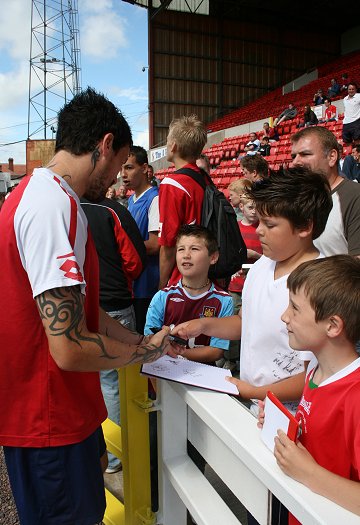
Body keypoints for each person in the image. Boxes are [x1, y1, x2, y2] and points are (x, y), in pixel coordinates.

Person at [0, 87, 173, 525]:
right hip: (48, 416)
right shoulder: (49, 205)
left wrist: (140, 339)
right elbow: (70, 346)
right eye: (118, 165)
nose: (117, 178)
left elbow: (83, 312)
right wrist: (147, 354)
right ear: (105, 145)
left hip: (64, 409)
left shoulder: (49, 198)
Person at [172, 168, 333, 412]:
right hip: (254, 402)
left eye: (269, 224)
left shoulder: (321, 284)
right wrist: (204, 325)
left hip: (290, 415)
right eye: (259, 221)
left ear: (304, 227)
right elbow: (244, 322)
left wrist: (253, 392)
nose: (258, 230)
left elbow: (317, 373)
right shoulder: (261, 267)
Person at [257, 255, 360, 523]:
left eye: (294, 308)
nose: (284, 316)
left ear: (333, 325)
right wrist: (282, 426)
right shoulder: (316, 372)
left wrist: (308, 473)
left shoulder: (355, 395)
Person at [81, 196, 147, 473]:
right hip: (113, 304)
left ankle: (97, 449)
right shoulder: (112, 210)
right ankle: (115, 454)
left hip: (76, 306)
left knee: (87, 381)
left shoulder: (59, 206)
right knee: (111, 383)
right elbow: (134, 262)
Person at [145, 224, 233, 363]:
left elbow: (216, 350)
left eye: (194, 249)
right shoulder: (162, 296)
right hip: (165, 373)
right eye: (181, 249)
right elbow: (149, 338)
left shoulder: (224, 300)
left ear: (213, 257)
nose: (186, 255)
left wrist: (180, 353)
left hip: (203, 376)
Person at [291, 126, 360, 257]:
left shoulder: (355, 198)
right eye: (293, 156)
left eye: (305, 154)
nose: (295, 162)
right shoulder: (295, 199)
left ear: (331, 157)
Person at [158, 115, 207, 289]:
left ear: (173, 146)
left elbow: (168, 245)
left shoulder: (172, 184)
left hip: (182, 280)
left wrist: (161, 287)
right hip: (207, 275)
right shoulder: (205, 179)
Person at [122, 145, 160, 332]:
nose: (123, 174)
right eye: (122, 168)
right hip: (134, 281)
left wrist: (120, 249)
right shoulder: (131, 200)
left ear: (144, 168)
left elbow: (155, 245)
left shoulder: (154, 199)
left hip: (148, 282)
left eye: (129, 168)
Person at [226, 194, 262, 371]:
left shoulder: (262, 229)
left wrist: (256, 256)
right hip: (236, 285)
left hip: (255, 285)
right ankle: (232, 359)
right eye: (250, 207)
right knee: (233, 321)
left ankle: (248, 358)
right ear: (241, 208)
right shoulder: (237, 228)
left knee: (253, 324)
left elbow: (269, 258)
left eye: (257, 207)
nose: (254, 211)